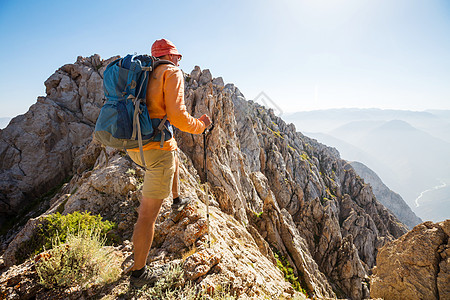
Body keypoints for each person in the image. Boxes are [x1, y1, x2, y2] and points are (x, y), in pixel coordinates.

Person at [126, 38, 211, 283]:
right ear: (171, 56)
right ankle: (139, 273)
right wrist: (201, 126)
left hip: (135, 145)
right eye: (177, 57)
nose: (178, 61)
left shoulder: (144, 73)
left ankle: (176, 199)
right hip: (155, 150)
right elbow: (178, 117)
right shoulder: (171, 73)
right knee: (146, 216)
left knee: (172, 151)